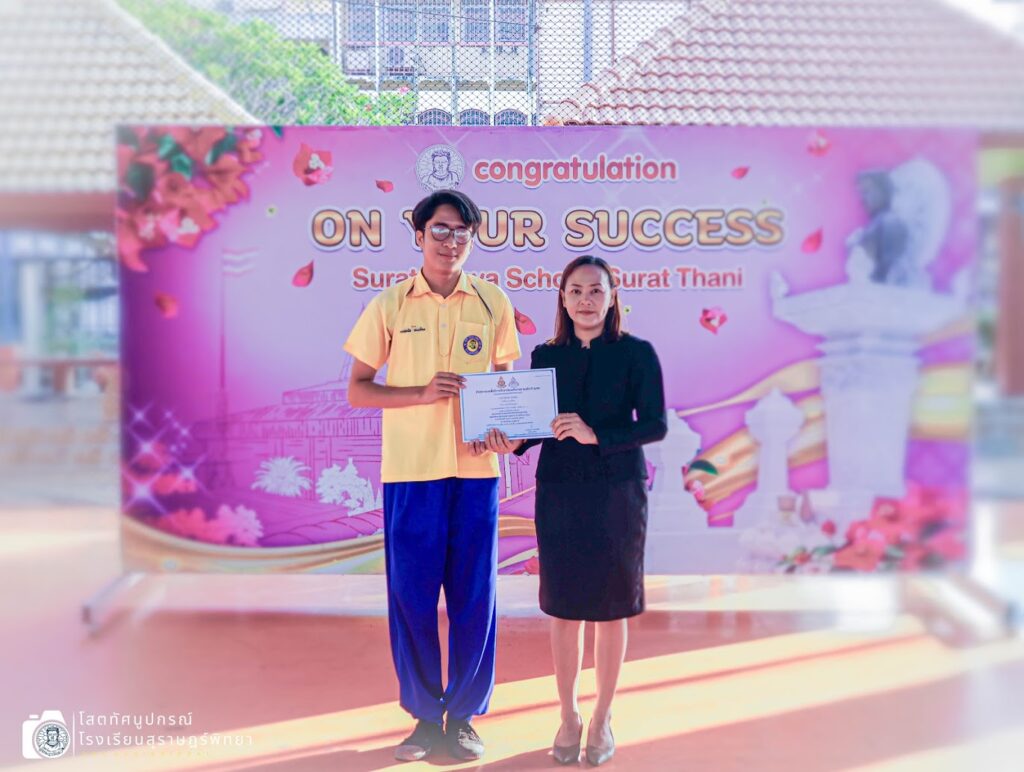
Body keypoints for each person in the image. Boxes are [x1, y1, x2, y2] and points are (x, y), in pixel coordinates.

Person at [344, 190, 521, 762]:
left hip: (475, 473)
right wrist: (419, 393)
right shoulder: (391, 305)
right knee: (412, 598)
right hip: (411, 473)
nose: (451, 241)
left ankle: (464, 717)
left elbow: (507, 389)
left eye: (462, 232)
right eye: (440, 230)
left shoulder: (492, 302)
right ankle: (424, 717)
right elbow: (358, 389)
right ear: (419, 235)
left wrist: (507, 432)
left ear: (473, 238)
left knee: (475, 597)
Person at [483, 254, 666, 766]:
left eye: (596, 290)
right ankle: (568, 715)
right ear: (562, 299)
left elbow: (654, 425)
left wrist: (595, 434)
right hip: (560, 493)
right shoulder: (546, 355)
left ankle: (603, 717)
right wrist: (511, 441)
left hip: (617, 494)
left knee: (611, 609)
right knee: (563, 608)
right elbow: (536, 424)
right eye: (576, 291)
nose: (586, 300)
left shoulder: (636, 353)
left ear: (612, 297)